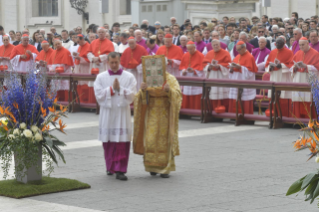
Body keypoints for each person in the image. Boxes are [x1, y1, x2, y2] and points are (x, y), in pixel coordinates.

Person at [133, 58, 182, 178]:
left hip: (166, 114)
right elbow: (140, 98)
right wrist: (143, 90)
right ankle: (152, 167)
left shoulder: (170, 78)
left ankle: (165, 169)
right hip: (151, 114)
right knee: (150, 140)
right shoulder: (148, 78)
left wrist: (169, 91)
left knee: (164, 141)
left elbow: (178, 95)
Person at [94, 52, 136, 181]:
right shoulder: (101, 77)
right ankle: (110, 166)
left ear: (119, 61)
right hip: (108, 112)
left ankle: (120, 170)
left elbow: (132, 94)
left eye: (116, 62)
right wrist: (111, 90)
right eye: (111, 62)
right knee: (108, 141)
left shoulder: (129, 76)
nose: (113, 65)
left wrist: (120, 89)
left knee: (122, 142)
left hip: (122, 113)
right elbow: (98, 94)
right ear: (107, 62)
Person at [290, 37, 319, 118]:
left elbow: (317, 68)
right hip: (298, 79)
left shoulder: (315, 53)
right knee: (298, 99)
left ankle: (309, 119)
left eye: (303, 45)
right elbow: (291, 66)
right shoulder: (298, 53)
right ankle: (297, 119)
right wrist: (294, 67)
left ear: (307, 43)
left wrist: (306, 66)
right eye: (300, 45)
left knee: (308, 99)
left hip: (307, 79)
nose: (301, 46)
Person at [265, 37, 294, 117]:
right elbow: (267, 64)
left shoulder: (289, 52)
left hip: (283, 76)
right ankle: (274, 115)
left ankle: (285, 116)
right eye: (276, 44)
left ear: (284, 44)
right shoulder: (273, 52)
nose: (277, 45)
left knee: (283, 96)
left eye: (279, 44)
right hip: (274, 76)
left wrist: (281, 65)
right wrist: (270, 67)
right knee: (273, 96)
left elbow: (291, 65)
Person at [228, 41, 257, 114]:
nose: (238, 51)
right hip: (236, 80)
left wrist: (240, 67)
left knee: (244, 98)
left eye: (239, 50)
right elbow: (233, 68)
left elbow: (250, 72)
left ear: (244, 48)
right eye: (237, 50)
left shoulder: (249, 57)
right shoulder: (237, 56)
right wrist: (231, 69)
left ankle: (245, 114)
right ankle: (234, 114)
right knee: (235, 98)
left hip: (244, 82)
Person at [203, 39, 231, 112]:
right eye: (214, 45)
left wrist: (219, 66)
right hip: (212, 75)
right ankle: (212, 109)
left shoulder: (225, 53)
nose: (216, 46)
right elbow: (204, 64)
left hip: (221, 75)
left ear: (220, 45)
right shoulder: (209, 53)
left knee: (222, 92)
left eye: (217, 45)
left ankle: (224, 110)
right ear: (211, 46)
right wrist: (208, 67)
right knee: (213, 92)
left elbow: (229, 64)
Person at [179, 41, 204, 110]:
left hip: (196, 79)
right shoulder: (185, 55)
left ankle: (196, 110)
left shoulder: (200, 55)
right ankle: (187, 110)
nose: (189, 51)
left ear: (194, 47)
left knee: (196, 96)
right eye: (188, 49)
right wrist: (183, 71)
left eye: (191, 49)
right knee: (186, 94)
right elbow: (182, 67)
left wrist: (194, 71)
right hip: (187, 77)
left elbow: (202, 70)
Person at [73, 34, 91, 103]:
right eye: (77, 42)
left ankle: (85, 101)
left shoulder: (88, 46)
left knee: (85, 85)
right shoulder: (79, 46)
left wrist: (80, 58)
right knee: (79, 85)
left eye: (78, 41)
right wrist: (76, 55)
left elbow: (89, 60)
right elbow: (79, 55)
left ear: (82, 39)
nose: (78, 43)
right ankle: (79, 100)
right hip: (79, 68)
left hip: (85, 68)